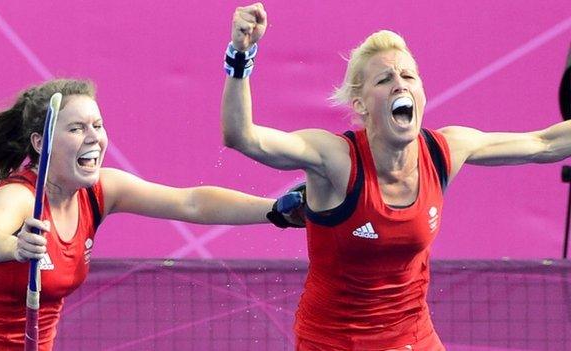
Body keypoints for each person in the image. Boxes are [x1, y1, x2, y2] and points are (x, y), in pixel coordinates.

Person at [221, 3, 571, 350]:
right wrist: (240, 56)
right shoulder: (334, 161)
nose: (399, 85)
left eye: (408, 76)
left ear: (421, 92)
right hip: (335, 342)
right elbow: (243, 137)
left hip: (414, 338)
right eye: (385, 79)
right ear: (360, 104)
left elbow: (543, 143)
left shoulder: (444, 151)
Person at [0, 79, 302, 351]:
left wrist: (275, 211)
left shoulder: (102, 191)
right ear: (40, 144)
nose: (95, 138)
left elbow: (191, 203)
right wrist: (14, 247)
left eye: (97, 125)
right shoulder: (18, 195)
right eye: (76, 128)